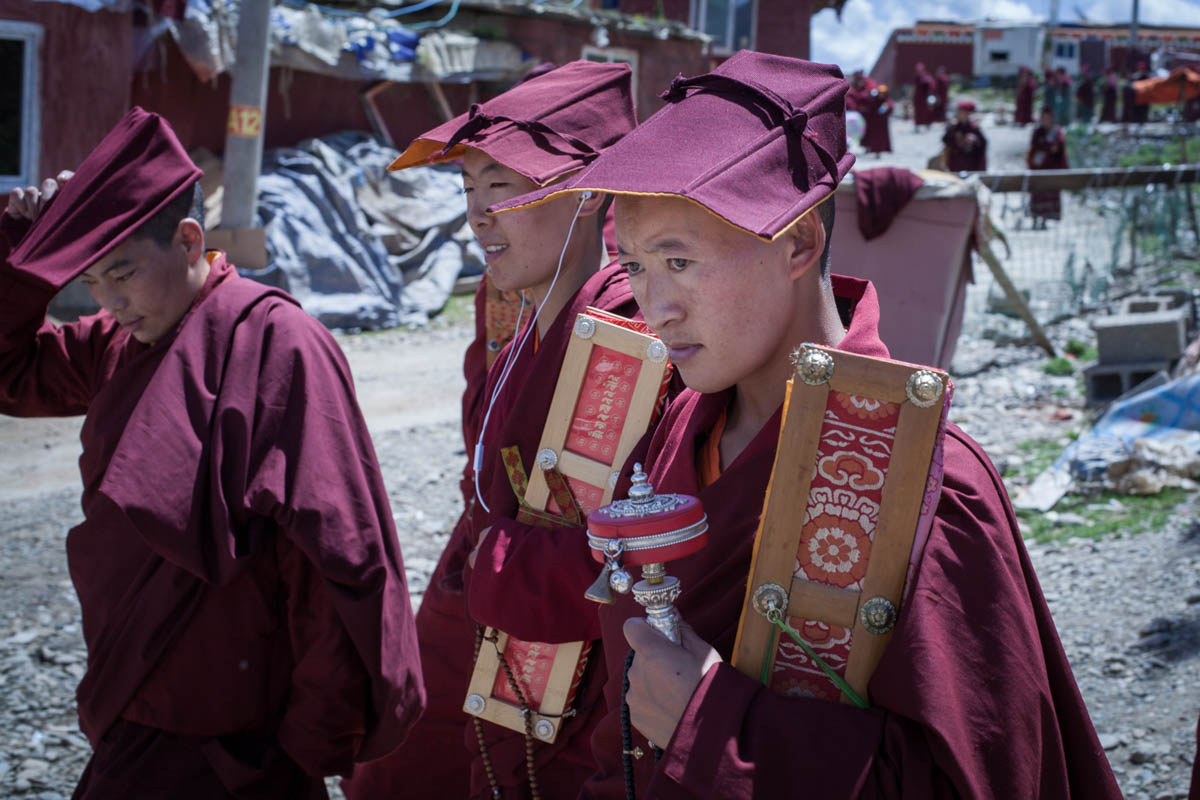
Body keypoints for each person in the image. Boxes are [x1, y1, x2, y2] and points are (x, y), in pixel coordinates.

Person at [477, 50, 1124, 799]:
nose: (657, 308)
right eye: (636, 266)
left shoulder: (919, 479)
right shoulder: (674, 428)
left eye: (679, 262)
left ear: (799, 243)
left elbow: (980, 778)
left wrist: (710, 723)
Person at [0, 108, 424, 798]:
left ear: (190, 239)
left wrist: (314, 733)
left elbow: (333, 553)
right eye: (92, 281)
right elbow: (11, 373)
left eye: (124, 272)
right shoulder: (116, 342)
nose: (110, 300)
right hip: (132, 691)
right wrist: (20, 255)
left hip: (239, 734)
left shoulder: (276, 342)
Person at [342, 60, 640, 800]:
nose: (478, 216)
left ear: (588, 192)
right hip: (490, 603)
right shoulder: (514, 312)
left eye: (501, 187)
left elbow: (652, 545)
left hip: (584, 657)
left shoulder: (640, 338)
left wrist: (501, 564)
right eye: (469, 189)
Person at [1027, 106, 1070, 228]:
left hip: (1052, 168)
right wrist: (1047, 147)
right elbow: (1034, 148)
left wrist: (1051, 148)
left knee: (1049, 193)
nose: (1046, 120)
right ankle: (1035, 219)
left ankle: (1044, 220)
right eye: (1044, 117)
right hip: (1038, 169)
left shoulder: (1057, 132)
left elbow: (1059, 147)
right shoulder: (1037, 132)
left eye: (1048, 118)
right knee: (1037, 195)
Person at [846, 71, 893, 156]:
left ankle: (878, 151)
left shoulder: (871, 86)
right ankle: (866, 148)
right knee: (864, 134)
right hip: (866, 117)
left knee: (878, 136)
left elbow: (889, 105)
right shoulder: (854, 89)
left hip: (879, 121)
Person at [942, 100, 988, 172]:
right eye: (960, 112)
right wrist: (951, 131)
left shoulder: (974, 128)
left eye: (964, 112)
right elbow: (945, 141)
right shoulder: (954, 127)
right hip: (955, 164)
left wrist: (974, 140)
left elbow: (983, 143)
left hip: (970, 164)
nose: (961, 115)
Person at [913, 62, 936, 130]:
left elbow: (931, 86)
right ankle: (917, 125)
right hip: (918, 98)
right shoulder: (917, 78)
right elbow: (915, 88)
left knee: (927, 111)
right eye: (917, 70)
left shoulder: (927, 77)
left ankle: (927, 124)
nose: (919, 72)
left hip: (925, 98)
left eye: (920, 70)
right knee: (918, 112)